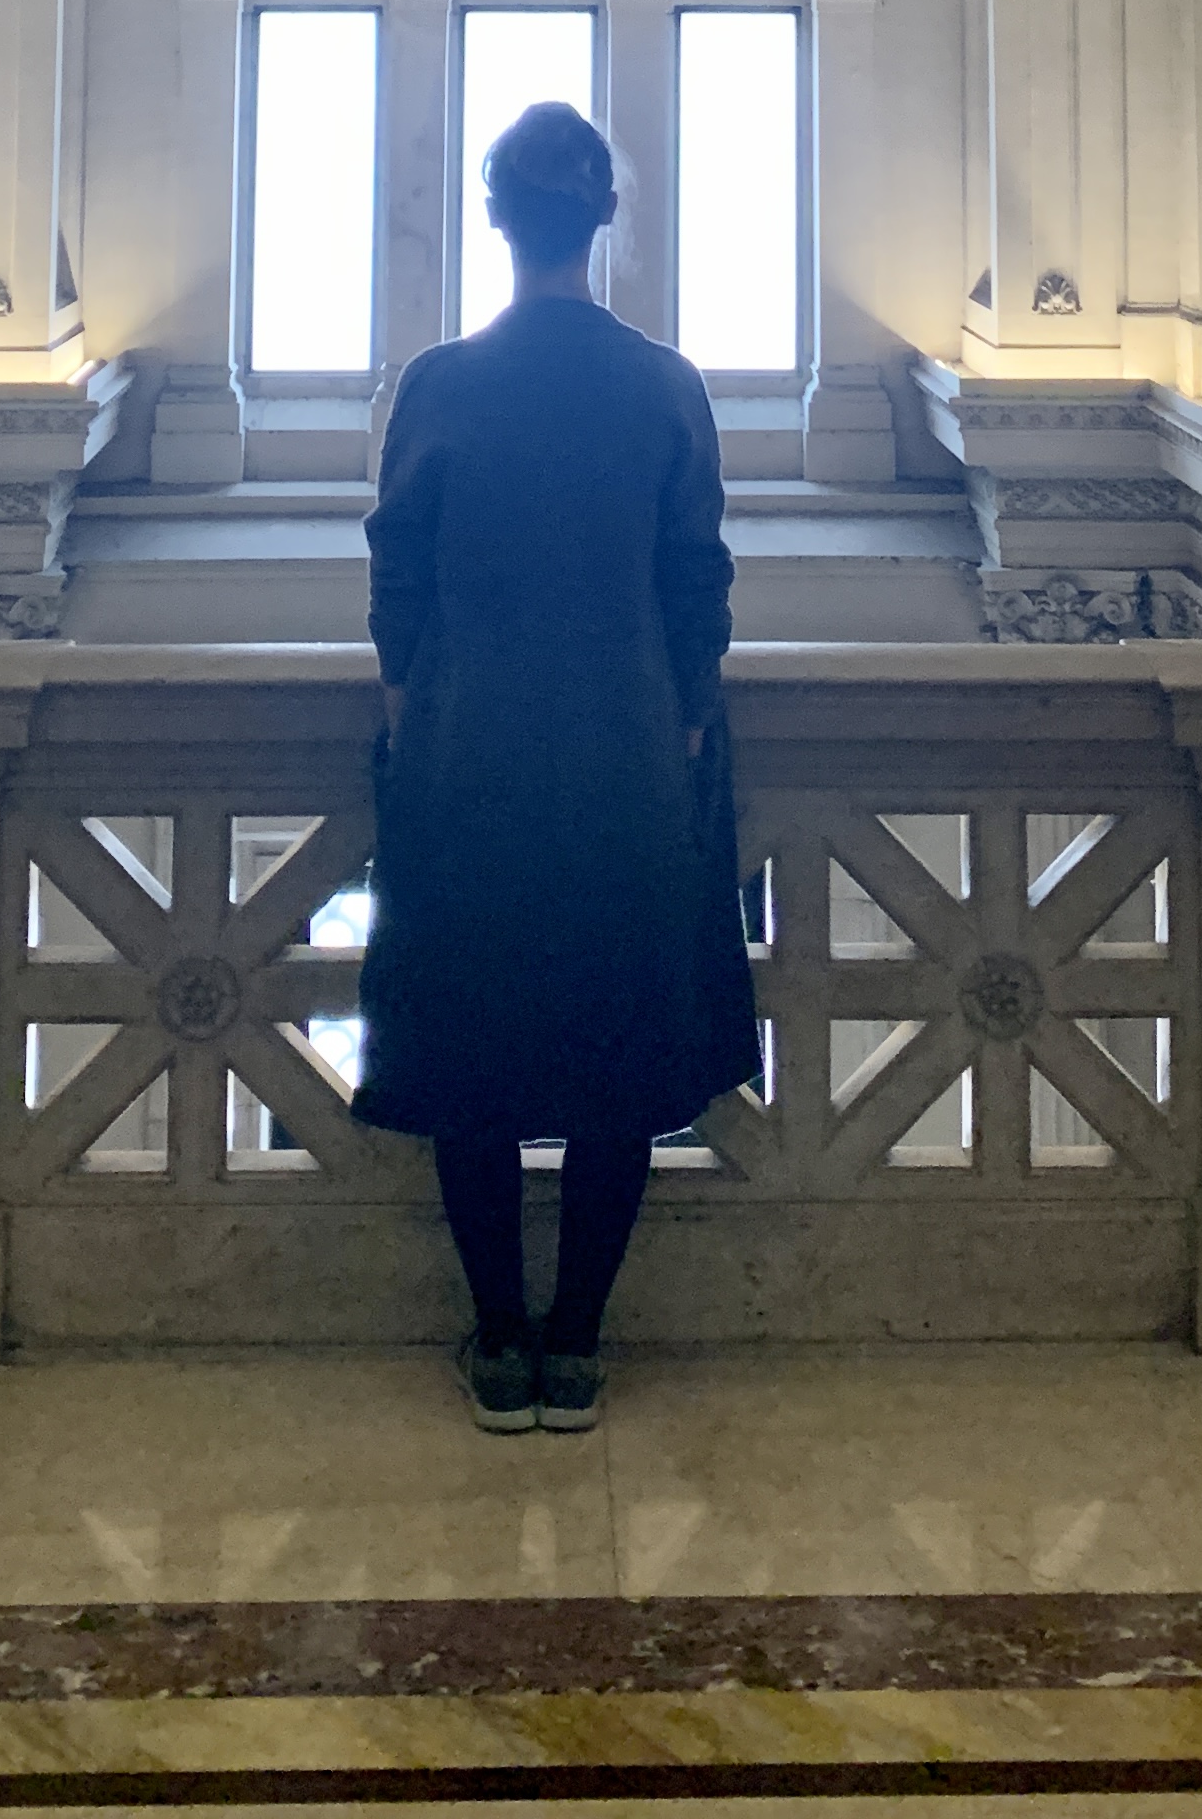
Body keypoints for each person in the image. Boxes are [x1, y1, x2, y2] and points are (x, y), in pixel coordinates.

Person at [353, 101, 758, 1432]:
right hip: (624, 767)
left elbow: (397, 583)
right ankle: (576, 1344)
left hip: (470, 765)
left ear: (495, 218)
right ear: (604, 220)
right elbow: (697, 587)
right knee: (615, 1065)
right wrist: (682, 717)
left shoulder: (437, 386)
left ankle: (496, 1339)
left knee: (470, 1060)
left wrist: (420, 704)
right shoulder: (664, 386)